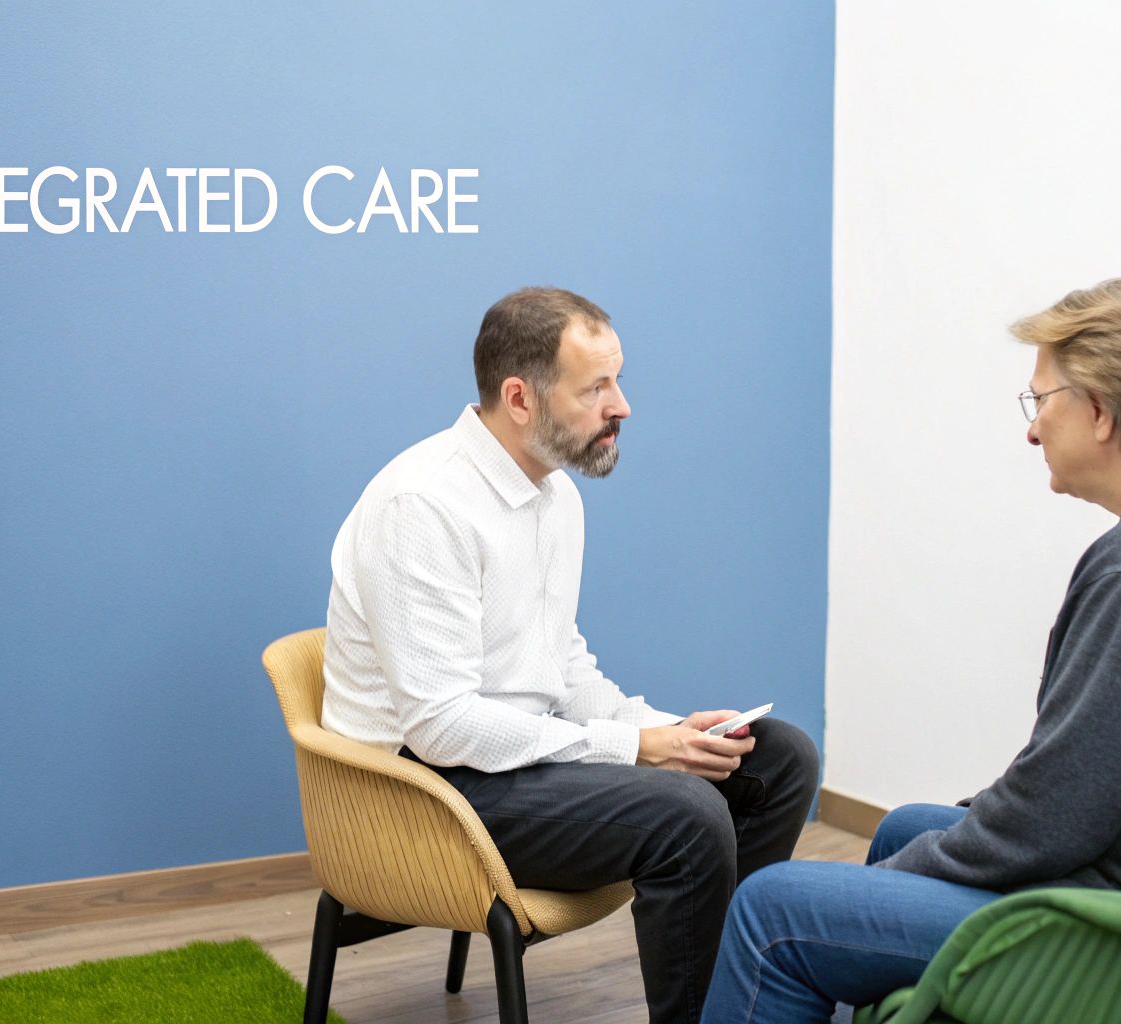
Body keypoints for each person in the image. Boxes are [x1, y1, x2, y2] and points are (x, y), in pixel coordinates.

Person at [699, 277, 1121, 1022]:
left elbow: (1053, 820)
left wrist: (910, 873)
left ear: (1101, 410)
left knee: (773, 913)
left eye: (1039, 402)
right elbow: (1081, 779)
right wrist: (924, 854)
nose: (1030, 430)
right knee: (905, 827)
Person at [321, 286, 820, 1023]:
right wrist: (633, 748)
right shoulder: (422, 507)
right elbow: (441, 727)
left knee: (777, 758)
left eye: (617, 379)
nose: (622, 405)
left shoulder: (554, 494)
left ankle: (734, 1005)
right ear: (520, 398)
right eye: (597, 388)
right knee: (685, 814)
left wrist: (668, 729)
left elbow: (561, 664)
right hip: (427, 790)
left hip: (519, 762)